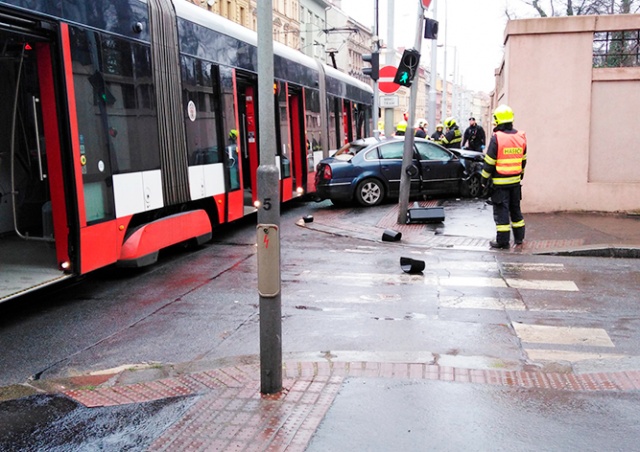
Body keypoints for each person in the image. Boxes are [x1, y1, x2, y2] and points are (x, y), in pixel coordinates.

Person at [480, 104, 527, 249]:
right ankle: (519, 238)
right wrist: (520, 176)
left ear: (497, 120)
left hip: (500, 184)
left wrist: (483, 179)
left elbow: (489, 162)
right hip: (515, 182)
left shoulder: (497, 138)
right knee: (516, 211)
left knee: (501, 212)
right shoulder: (520, 136)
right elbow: (523, 160)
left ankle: (502, 241)